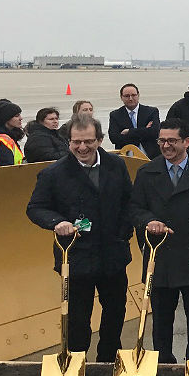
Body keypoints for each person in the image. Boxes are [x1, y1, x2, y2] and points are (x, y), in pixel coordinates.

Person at [26, 113, 136, 363]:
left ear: (99, 140)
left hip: (112, 255)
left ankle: (109, 359)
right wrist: (57, 222)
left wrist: (123, 233)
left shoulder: (116, 165)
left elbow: (128, 202)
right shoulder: (53, 173)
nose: (82, 147)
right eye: (76, 142)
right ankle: (76, 361)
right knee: (77, 317)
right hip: (76, 258)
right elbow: (35, 208)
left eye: (88, 141)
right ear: (69, 142)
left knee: (115, 311)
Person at [129, 119, 189, 364]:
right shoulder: (147, 172)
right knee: (161, 319)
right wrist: (149, 221)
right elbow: (135, 209)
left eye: (172, 141)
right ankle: (163, 363)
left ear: (187, 142)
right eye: (162, 141)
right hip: (160, 257)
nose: (166, 146)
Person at [107, 83, 161, 159]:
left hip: (151, 156)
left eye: (133, 95)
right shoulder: (115, 115)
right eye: (127, 96)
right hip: (127, 157)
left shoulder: (151, 112)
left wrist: (129, 131)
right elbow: (114, 138)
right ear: (121, 97)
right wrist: (144, 131)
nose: (130, 98)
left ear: (138, 95)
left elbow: (155, 133)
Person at [0, 101, 25, 167]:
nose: (21, 118)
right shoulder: (2, 140)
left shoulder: (10, 136)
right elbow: (7, 169)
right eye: (16, 116)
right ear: (6, 118)